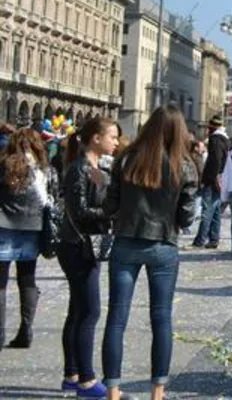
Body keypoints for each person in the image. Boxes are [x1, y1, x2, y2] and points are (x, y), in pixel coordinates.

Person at [101, 105, 199, 400]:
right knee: (161, 317)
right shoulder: (184, 165)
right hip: (163, 246)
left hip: (126, 242)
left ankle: (113, 392)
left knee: (116, 318)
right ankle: (157, 392)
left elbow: (110, 206)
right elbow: (186, 217)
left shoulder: (126, 159)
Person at [57, 117, 119, 398]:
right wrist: (111, 214)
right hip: (77, 246)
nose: (116, 142)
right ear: (96, 138)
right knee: (90, 310)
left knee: (78, 309)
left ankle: (71, 374)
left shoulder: (94, 167)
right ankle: (86, 380)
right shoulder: (80, 168)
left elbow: (98, 201)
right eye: (112, 137)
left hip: (83, 244)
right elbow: (80, 210)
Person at [0, 127, 57, 350]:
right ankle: (26, 331)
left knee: (1, 284)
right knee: (27, 279)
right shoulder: (44, 169)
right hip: (32, 228)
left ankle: (0, 334)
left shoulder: (5, 165)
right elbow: (49, 200)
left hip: (3, 226)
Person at [192, 115, 228, 249]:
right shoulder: (225, 139)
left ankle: (200, 239)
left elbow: (215, 161)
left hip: (212, 180)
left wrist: (211, 178)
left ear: (211, 128)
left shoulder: (215, 139)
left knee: (207, 210)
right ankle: (214, 238)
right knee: (216, 210)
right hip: (220, 178)